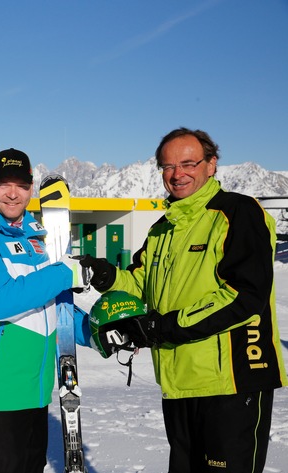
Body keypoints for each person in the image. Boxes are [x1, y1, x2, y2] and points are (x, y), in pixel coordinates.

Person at [80, 127, 287, 472]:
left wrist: (161, 328)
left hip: (231, 383)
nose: (177, 174)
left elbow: (244, 295)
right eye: (167, 166)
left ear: (211, 164)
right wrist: (110, 277)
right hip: (178, 383)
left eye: (188, 163)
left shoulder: (237, 213)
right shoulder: (163, 229)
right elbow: (141, 283)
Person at [0, 148, 87, 473]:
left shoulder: (37, 240)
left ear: (30, 189)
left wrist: (98, 332)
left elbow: (55, 307)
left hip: (36, 392)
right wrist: (65, 272)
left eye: (21, 185)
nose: (13, 193)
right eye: (4, 184)